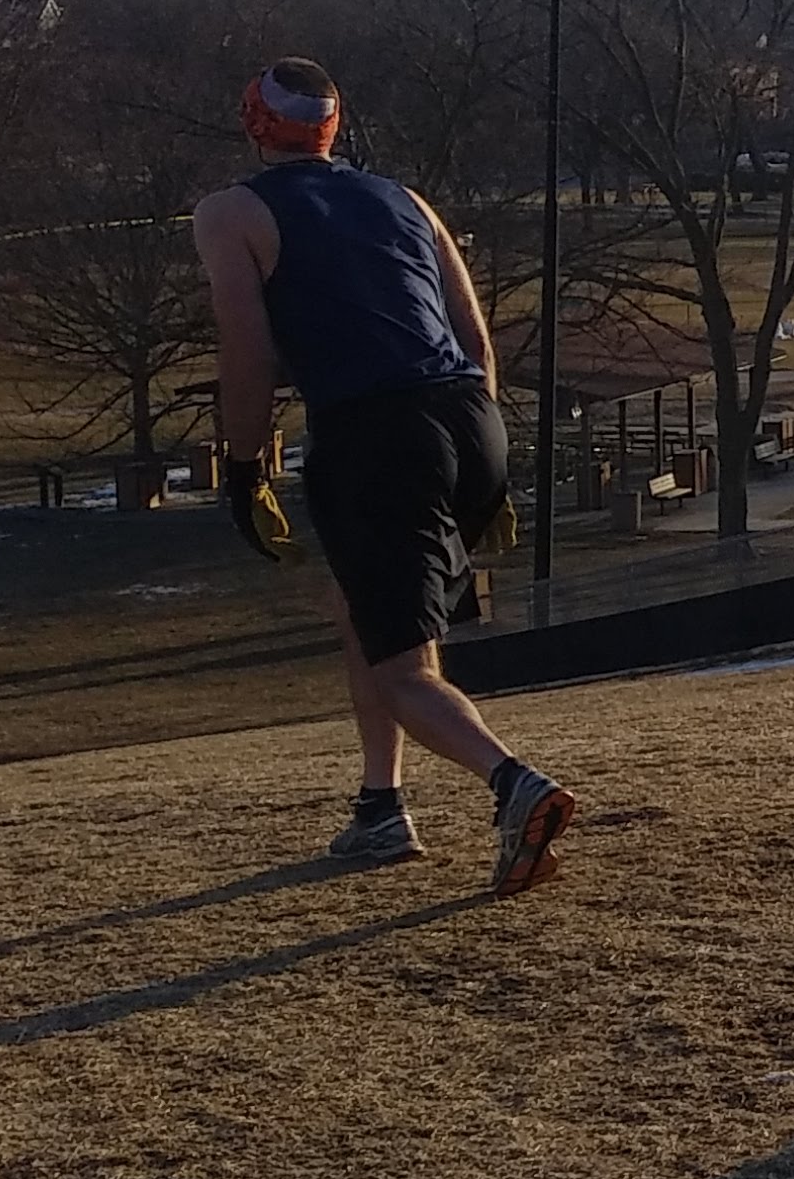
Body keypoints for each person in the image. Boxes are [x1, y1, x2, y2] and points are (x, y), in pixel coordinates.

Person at [191, 59, 579, 890]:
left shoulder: (231, 212)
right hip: (468, 417)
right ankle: (380, 806)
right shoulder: (406, 199)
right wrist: (487, 466)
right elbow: (474, 336)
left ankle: (516, 787)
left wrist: (244, 467)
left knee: (402, 668)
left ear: (254, 122)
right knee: (364, 610)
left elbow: (246, 351)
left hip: (374, 431)